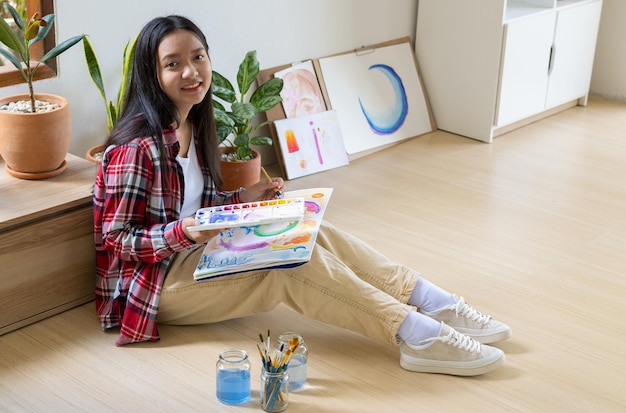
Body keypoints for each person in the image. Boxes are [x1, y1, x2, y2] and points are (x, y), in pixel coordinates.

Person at [93, 15, 511, 376]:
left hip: (190, 256)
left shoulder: (192, 125)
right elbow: (118, 239)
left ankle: (431, 301)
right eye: (173, 64)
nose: (191, 71)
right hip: (152, 287)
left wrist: (242, 199)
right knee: (286, 267)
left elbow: (195, 208)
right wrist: (183, 231)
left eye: (198, 56)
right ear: (153, 75)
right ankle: (418, 335)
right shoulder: (136, 149)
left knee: (311, 230)